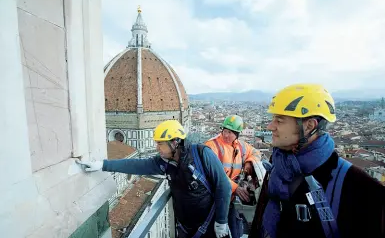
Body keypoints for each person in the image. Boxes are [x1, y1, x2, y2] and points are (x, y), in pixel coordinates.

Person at [249, 83, 385, 238]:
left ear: (309, 125)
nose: (270, 126)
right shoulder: (277, 168)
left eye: (279, 121)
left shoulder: (360, 187)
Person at [77, 120, 232, 238]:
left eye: (160, 144)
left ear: (175, 142)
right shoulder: (164, 163)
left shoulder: (202, 154)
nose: (157, 148)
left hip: (210, 224)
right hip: (186, 228)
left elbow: (223, 187)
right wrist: (102, 165)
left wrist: (221, 221)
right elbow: (134, 165)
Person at [205, 115, 266, 238]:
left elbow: (256, 152)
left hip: (230, 199)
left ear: (237, 134)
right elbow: (216, 174)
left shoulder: (240, 146)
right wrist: (235, 188)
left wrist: (249, 162)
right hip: (213, 200)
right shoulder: (212, 146)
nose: (226, 135)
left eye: (230, 132)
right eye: (225, 131)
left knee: (235, 231)